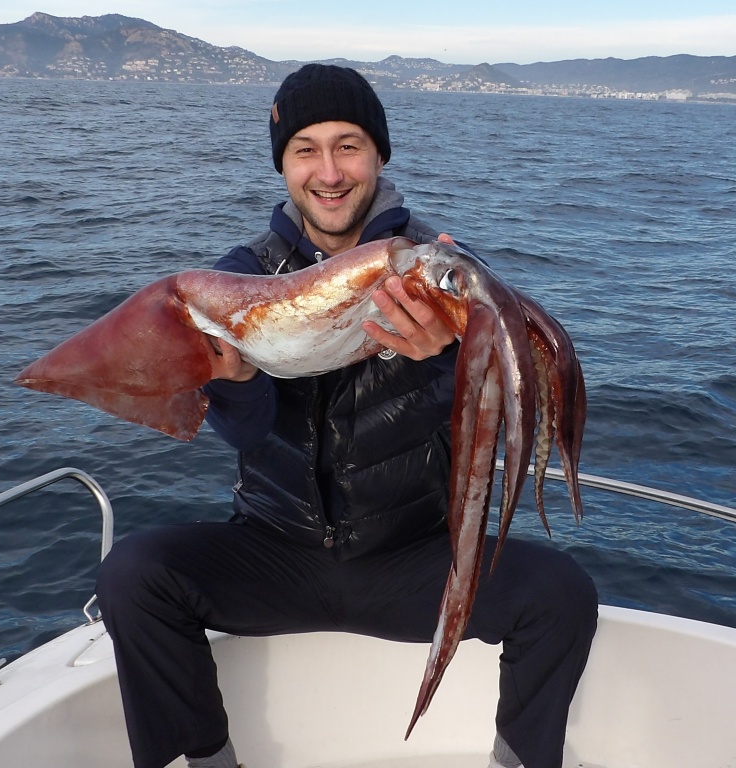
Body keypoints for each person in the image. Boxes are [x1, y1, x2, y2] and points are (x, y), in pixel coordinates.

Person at [96, 64, 598, 768]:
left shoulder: (441, 272)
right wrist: (235, 376)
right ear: (283, 166)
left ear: (379, 154)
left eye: (349, 145)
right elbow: (241, 432)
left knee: (562, 593)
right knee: (133, 575)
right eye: (305, 149)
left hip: (414, 559)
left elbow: (515, 392)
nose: (329, 172)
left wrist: (439, 354)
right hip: (276, 552)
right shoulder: (245, 275)